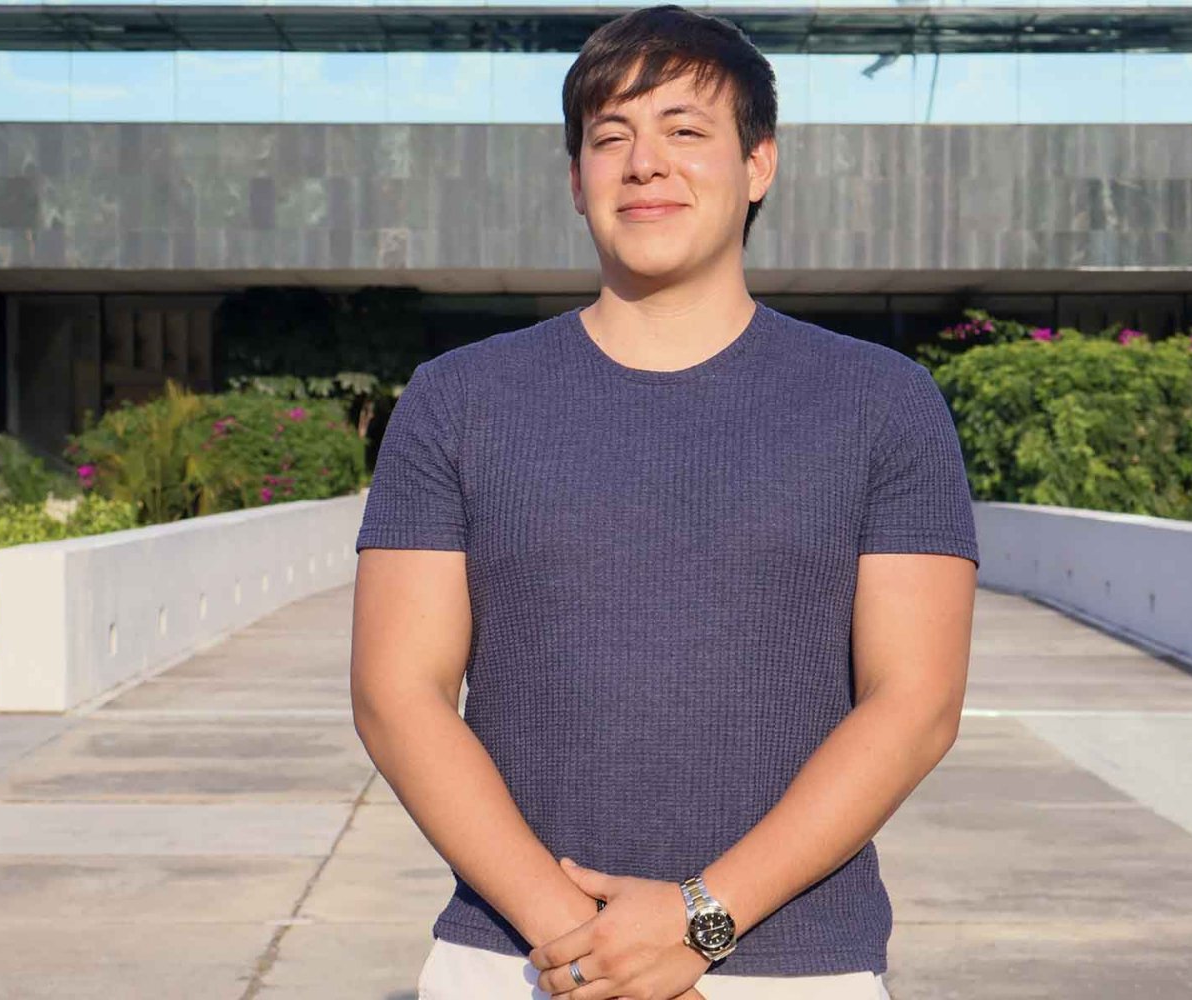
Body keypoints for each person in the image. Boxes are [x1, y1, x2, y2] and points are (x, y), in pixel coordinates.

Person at [349, 5, 979, 998]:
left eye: (686, 130)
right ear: (576, 179)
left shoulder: (883, 402)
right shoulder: (457, 399)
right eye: (611, 137)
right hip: (519, 959)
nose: (646, 164)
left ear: (758, 164)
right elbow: (398, 696)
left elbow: (916, 704)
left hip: (796, 967)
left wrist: (697, 919)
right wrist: (584, 944)